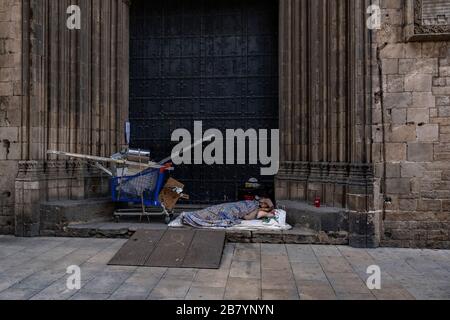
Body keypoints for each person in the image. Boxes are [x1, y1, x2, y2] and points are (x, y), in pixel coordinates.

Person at [181, 198, 276, 228]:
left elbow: (247, 217)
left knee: (211, 212)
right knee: (212, 212)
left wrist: (263, 211)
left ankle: (190, 216)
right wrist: (270, 208)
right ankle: (191, 216)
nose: (264, 204)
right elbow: (247, 218)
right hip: (229, 208)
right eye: (264, 204)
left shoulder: (255, 206)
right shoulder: (254, 204)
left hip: (229, 208)